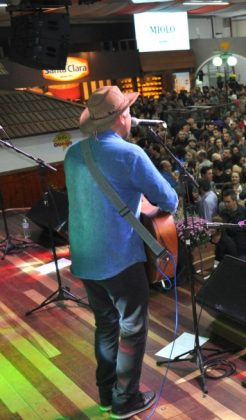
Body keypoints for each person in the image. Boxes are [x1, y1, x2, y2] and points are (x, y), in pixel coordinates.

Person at [64, 86, 178, 418]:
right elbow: (169, 199)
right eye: (128, 111)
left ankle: (106, 395)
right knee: (132, 327)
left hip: (85, 258)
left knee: (106, 325)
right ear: (123, 117)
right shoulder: (130, 154)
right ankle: (125, 399)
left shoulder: (73, 153)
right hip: (119, 259)